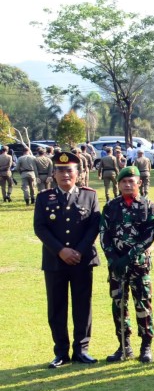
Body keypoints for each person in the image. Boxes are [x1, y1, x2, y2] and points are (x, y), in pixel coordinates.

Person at [33, 151, 101, 368]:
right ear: (54, 174)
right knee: (56, 307)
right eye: (60, 170)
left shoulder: (89, 196)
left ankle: (82, 349)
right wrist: (61, 250)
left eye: (69, 170)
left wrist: (78, 251)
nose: (65, 175)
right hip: (55, 261)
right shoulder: (44, 198)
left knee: (83, 305)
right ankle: (61, 352)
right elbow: (40, 228)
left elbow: (94, 227)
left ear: (78, 173)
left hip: (82, 261)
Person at [98, 165, 154, 363]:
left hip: (139, 266)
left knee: (143, 304)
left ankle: (146, 345)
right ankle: (124, 345)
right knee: (119, 305)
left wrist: (129, 256)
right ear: (118, 184)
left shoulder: (148, 206)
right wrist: (113, 259)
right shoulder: (110, 207)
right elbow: (104, 234)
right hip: (116, 266)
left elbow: (149, 235)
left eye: (131, 181)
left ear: (139, 183)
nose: (127, 184)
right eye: (123, 181)